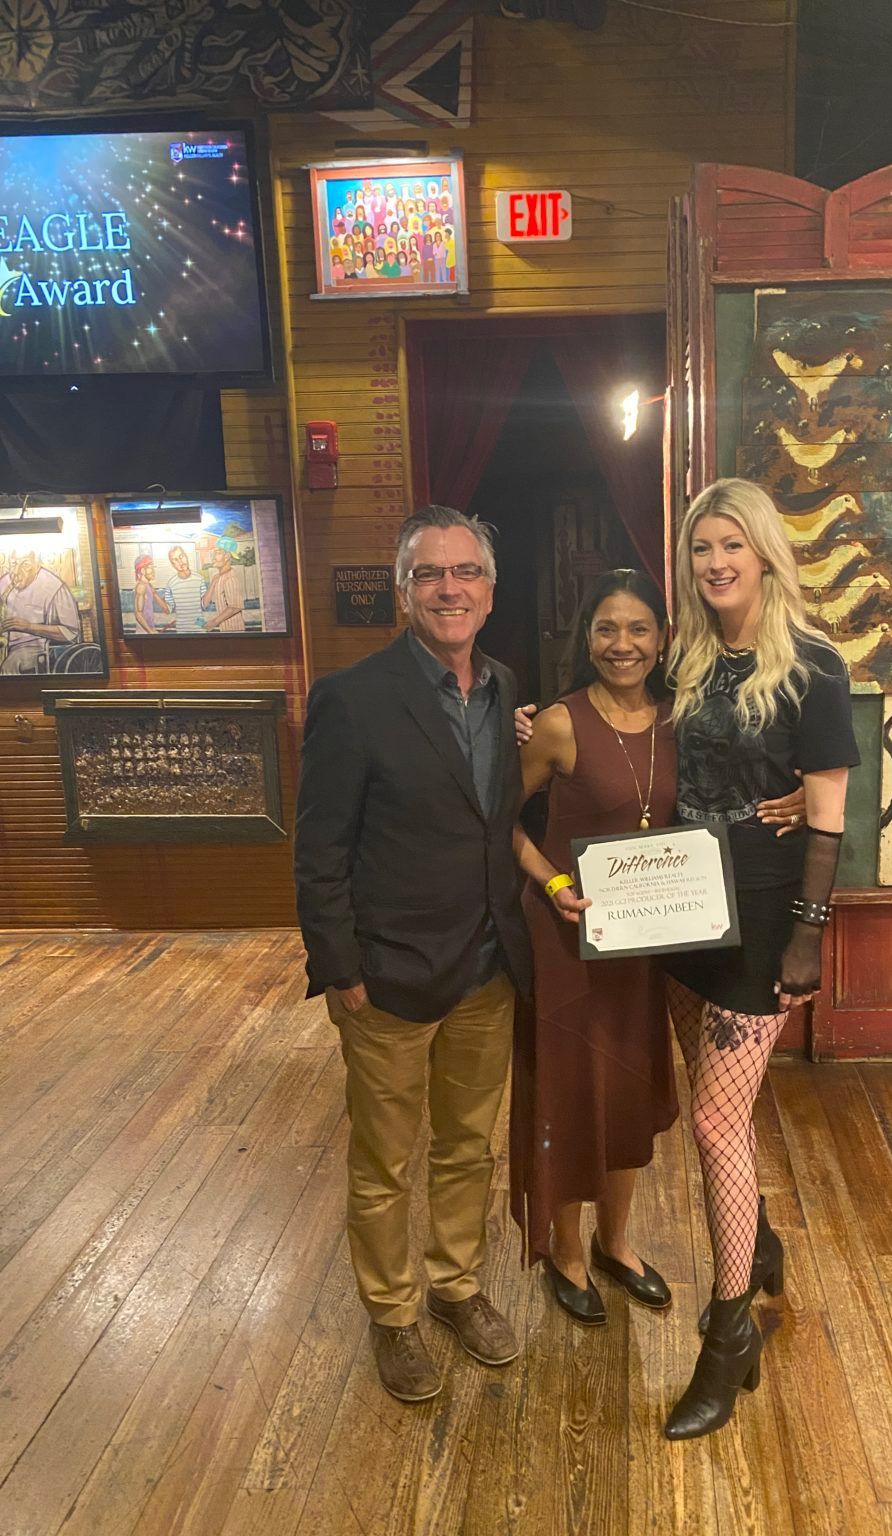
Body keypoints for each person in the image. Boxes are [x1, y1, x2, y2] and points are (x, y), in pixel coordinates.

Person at [294, 505, 533, 1406]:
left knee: (468, 1148)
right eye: (430, 574)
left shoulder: (509, 690)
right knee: (385, 1161)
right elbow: (319, 850)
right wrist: (340, 966)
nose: (449, 588)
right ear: (403, 591)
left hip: (486, 968)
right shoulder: (351, 699)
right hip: (387, 976)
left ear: (489, 589)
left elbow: (503, 824)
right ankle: (392, 1314)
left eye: (466, 572)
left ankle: (456, 1289)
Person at [661, 478, 858, 1441]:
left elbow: (827, 815)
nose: (716, 563)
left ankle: (731, 1332)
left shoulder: (813, 667)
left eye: (732, 544)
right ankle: (760, 1242)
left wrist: (810, 937)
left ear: (766, 553)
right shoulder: (689, 661)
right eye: (702, 548)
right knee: (716, 1115)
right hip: (687, 912)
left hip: (769, 917)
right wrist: (543, 726)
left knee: (712, 1124)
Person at [510, 569, 679, 1325]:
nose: (623, 644)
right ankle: (568, 1251)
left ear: (663, 639)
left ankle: (618, 1241)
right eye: (607, 629)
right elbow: (501, 822)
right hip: (569, 935)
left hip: (646, 940)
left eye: (638, 628)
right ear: (587, 639)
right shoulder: (558, 723)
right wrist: (551, 885)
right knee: (574, 1090)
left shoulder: (681, 719)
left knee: (629, 1089)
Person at [0, 545, 81, 674]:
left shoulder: (55, 588)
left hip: (38, 648)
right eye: (13, 563)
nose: (16, 572)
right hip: (5, 646)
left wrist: (29, 627)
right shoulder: (4, 582)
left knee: (10, 665)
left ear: (38, 566)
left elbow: (70, 632)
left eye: (25, 564)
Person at [201, 546, 246, 633]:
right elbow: (204, 603)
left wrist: (214, 622)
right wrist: (213, 584)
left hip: (234, 629)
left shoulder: (230, 578)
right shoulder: (216, 577)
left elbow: (235, 607)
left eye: (217, 554)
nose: (213, 558)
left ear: (227, 556)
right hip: (224, 629)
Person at [132, 553, 170, 634]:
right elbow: (138, 614)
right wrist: (151, 632)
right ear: (142, 570)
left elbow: (165, 609)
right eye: (149, 567)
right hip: (143, 633)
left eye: (153, 567)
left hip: (150, 631)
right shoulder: (141, 587)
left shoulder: (149, 586)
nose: (153, 571)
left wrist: (167, 602)